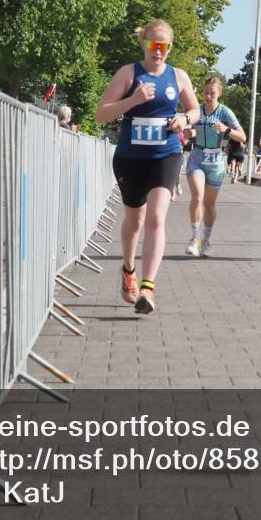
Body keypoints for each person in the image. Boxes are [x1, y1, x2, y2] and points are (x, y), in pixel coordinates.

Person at [94, 19, 199, 314]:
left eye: (164, 46)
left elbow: (194, 109)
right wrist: (133, 100)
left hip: (166, 153)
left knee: (155, 217)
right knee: (135, 221)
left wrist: (184, 120)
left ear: (170, 48)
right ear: (143, 44)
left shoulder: (178, 77)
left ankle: (148, 289)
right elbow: (101, 115)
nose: (158, 51)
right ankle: (128, 270)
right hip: (130, 158)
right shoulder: (129, 73)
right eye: (153, 45)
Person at [184, 77, 246, 257]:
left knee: (209, 203)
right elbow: (189, 128)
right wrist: (188, 132)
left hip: (216, 161)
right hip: (197, 157)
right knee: (197, 197)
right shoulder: (197, 111)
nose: (208, 96)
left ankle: (207, 241)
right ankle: (194, 239)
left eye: (212, 93)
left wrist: (226, 130)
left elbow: (242, 136)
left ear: (220, 93)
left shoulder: (225, 112)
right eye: (205, 93)